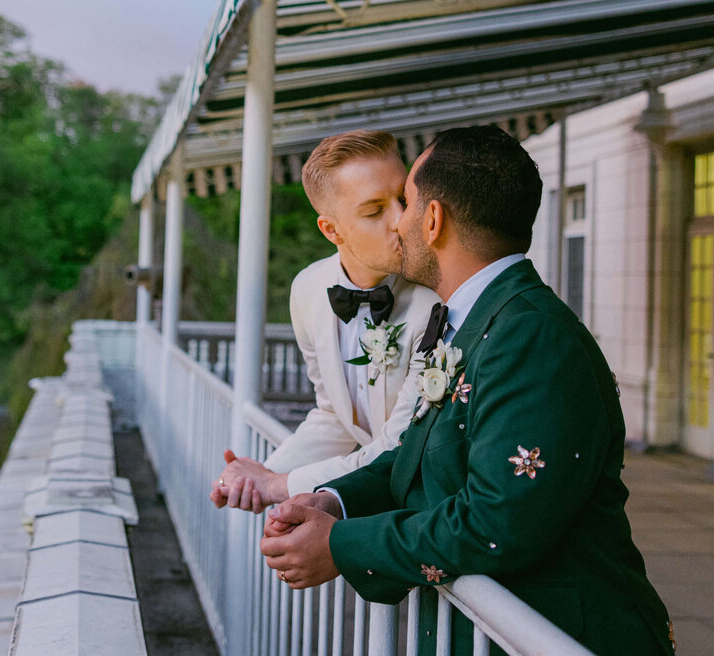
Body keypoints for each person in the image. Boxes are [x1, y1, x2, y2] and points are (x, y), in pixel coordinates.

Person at [259, 126, 675, 655]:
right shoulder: (474, 319)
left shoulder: (531, 336)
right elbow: (414, 456)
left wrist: (341, 547)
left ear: (432, 221)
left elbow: (496, 520)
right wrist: (334, 502)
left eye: (406, 202)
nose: (397, 223)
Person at [210, 130, 437, 513]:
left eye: (403, 199)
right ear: (331, 230)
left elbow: (400, 445)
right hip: (362, 506)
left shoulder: (436, 301)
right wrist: (263, 474)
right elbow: (334, 414)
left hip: (421, 512)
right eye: (374, 210)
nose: (401, 221)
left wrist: (277, 485)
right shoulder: (307, 289)